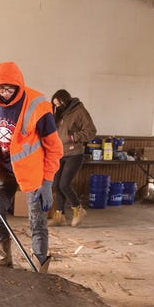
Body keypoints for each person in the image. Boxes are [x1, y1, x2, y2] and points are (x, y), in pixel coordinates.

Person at [0, 62, 63, 273]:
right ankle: (4, 258)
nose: (5, 94)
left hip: (32, 173)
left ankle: (39, 266)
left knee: (37, 220)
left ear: (19, 86)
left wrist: (47, 182)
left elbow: (54, 148)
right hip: (5, 171)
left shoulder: (38, 105)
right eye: (1, 89)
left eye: (10, 89)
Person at [49, 89, 97, 227]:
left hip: (74, 153)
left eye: (59, 104)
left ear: (65, 100)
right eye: (55, 105)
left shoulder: (79, 110)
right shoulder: (59, 112)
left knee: (64, 184)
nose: (57, 107)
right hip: (59, 153)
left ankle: (78, 210)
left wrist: (73, 137)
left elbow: (91, 131)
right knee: (57, 185)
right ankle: (60, 216)